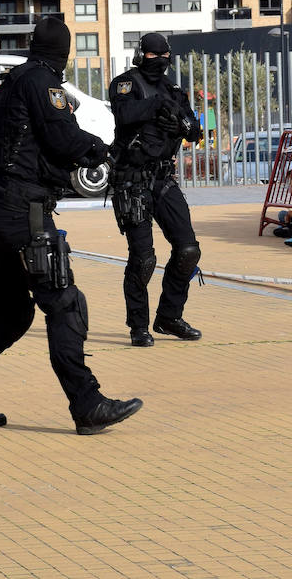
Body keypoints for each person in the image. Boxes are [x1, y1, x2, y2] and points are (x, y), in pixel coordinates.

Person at [0, 17, 140, 434]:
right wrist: (105, 151)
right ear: (64, 53)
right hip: (24, 208)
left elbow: (10, 134)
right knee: (65, 303)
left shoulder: (11, 81)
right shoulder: (44, 83)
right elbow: (62, 138)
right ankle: (87, 404)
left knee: (12, 313)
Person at [107, 32, 206, 348]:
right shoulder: (126, 84)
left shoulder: (174, 90)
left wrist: (178, 121)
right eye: (153, 56)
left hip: (164, 179)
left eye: (163, 56)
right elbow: (123, 114)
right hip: (132, 179)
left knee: (188, 250)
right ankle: (138, 326)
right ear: (141, 56)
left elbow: (194, 130)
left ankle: (168, 317)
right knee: (143, 258)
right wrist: (154, 106)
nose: (158, 62)